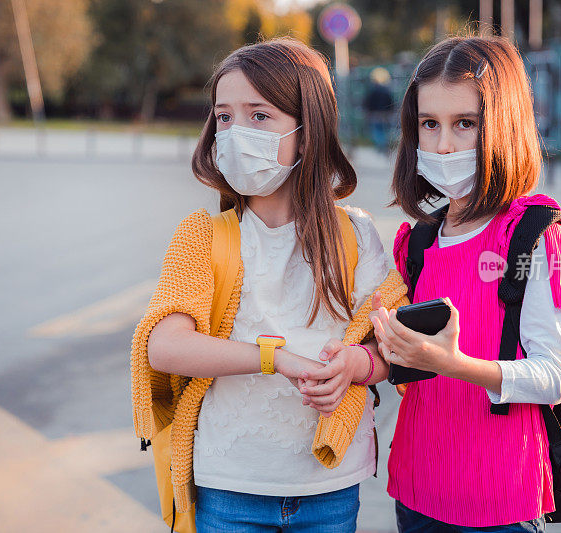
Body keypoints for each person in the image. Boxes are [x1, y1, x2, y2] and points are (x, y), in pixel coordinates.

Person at [131, 38, 407, 533]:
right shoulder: (202, 235)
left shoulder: (357, 234)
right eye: (224, 117)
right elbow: (165, 347)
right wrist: (273, 359)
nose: (236, 133)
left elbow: (387, 345)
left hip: (330, 485)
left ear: (308, 132)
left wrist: (355, 366)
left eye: (259, 116)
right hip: (229, 486)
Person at [370, 36, 561, 532]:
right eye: (430, 124)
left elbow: (555, 376)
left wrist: (455, 365)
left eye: (465, 124)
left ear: (503, 127)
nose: (443, 144)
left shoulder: (535, 236)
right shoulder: (417, 242)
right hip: (418, 485)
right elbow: (403, 364)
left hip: (502, 495)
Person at [363, 67, 394, 154]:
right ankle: (385, 146)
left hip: (375, 114)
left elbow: (368, 102)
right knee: (384, 130)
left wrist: (368, 112)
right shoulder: (387, 90)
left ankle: (381, 146)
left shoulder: (372, 90)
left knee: (377, 131)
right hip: (385, 114)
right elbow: (390, 101)